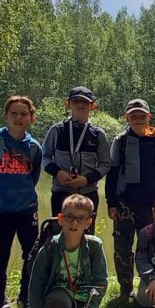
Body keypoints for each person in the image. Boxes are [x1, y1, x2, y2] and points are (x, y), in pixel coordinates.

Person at [106, 98, 155, 299]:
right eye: (133, 116)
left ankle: (149, 285)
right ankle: (125, 289)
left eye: (142, 116)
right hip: (124, 204)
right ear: (127, 118)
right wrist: (111, 202)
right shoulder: (120, 141)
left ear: (149, 117)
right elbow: (112, 173)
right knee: (122, 248)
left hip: (150, 205)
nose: (138, 119)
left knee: (150, 247)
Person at [0, 96, 42, 308]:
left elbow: (33, 177)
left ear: (31, 118)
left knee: (32, 255)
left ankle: (25, 297)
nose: (19, 118)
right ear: (6, 116)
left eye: (24, 114)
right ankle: (0, 301)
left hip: (26, 210)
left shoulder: (34, 147)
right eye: (14, 113)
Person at [26, 194, 107, 308]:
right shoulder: (49, 249)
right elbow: (34, 290)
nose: (74, 223)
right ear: (60, 219)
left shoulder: (95, 246)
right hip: (59, 298)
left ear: (88, 222)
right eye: (70, 217)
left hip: (84, 301)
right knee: (57, 304)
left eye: (81, 218)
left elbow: (101, 283)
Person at [42, 86, 111, 230]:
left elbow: (105, 163)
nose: (80, 104)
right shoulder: (57, 130)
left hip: (88, 193)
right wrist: (58, 173)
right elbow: (45, 157)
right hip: (61, 191)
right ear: (68, 104)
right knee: (59, 233)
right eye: (76, 101)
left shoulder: (98, 134)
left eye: (85, 102)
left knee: (87, 234)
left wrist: (87, 179)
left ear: (92, 106)